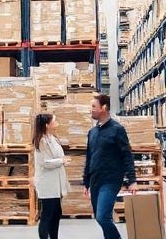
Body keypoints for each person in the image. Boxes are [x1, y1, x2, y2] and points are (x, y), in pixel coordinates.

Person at [82, 94, 136, 239]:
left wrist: (132, 180)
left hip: (111, 180)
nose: (90, 110)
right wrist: (86, 182)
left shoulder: (117, 129)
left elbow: (127, 154)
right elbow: (89, 157)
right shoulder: (92, 132)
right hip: (95, 180)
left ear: (104, 108)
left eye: (93, 107)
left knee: (102, 217)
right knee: (100, 217)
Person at [33, 113, 70, 239]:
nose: (56, 123)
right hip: (47, 183)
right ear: (47, 125)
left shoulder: (51, 138)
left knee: (56, 212)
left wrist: (62, 159)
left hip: (55, 183)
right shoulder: (41, 141)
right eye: (54, 121)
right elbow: (45, 162)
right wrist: (62, 161)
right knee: (47, 214)